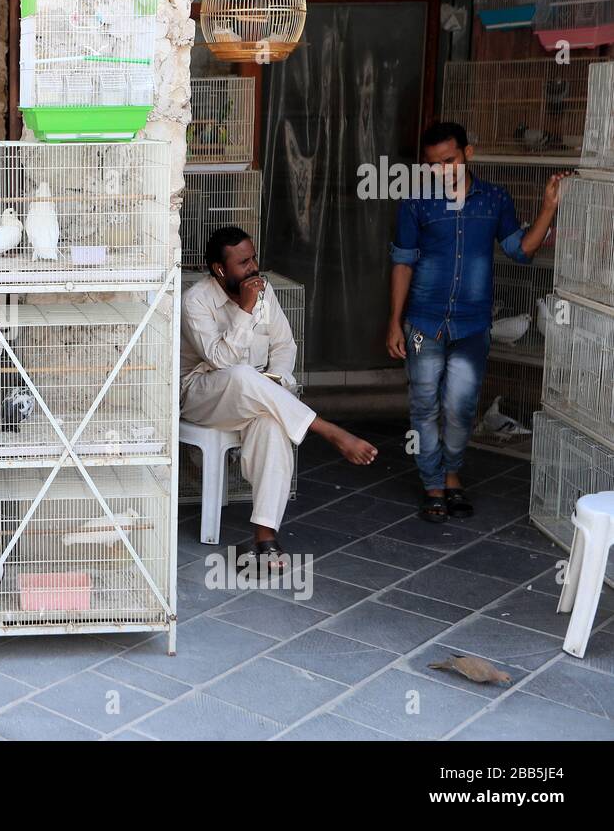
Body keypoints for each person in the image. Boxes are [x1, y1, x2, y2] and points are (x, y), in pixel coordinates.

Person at [387, 121, 566, 523]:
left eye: (449, 160)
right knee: (423, 405)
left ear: (468, 153)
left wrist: (549, 206)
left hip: (471, 325)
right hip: (423, 323)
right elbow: (402, 262)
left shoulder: (494, 200)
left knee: (461, 408)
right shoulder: (416, 202)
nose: (441, 171)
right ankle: (434, 485)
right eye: (433, 164)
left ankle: (452, 475)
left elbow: (521, 251)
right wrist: (394, 322)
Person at [181, 226, 378, 569]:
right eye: (243, 263)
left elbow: (284, 345)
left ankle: (265, 537)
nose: (253, 267)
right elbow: (222, 362)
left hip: (255, 393)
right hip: (204, 394)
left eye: (254, 257)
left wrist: (278, 381)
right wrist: (244, 309)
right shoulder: (196, 301)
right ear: (220, 270)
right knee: (242, 375)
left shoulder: (264, 290)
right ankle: (327, 429)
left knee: (272, 422)